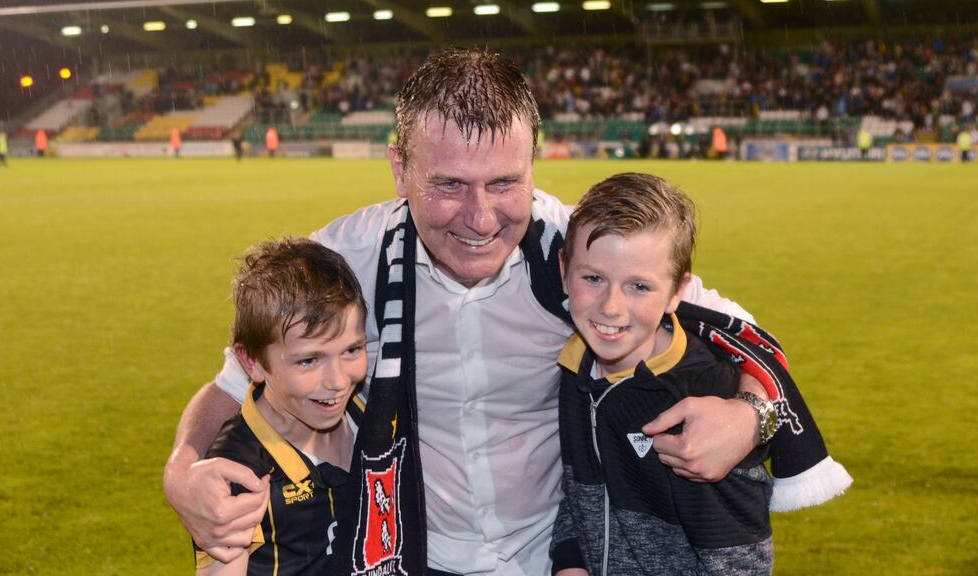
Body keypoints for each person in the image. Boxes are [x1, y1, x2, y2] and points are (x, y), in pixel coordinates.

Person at [165, 49, 788, 576]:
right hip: (410, 556)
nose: (482, 219)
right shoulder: (345, 260)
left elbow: (746, 336)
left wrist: (751, 417)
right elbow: (233, 384)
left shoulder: (586, 258)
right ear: (398, 168)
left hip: (560, 558)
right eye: (450, 186)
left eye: (504, 183)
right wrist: (181, 473)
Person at [550, 173, 851, 576]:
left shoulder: (707, 402)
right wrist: (570, 563)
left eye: (639, 286)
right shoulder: (575, 369)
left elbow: (741, 560)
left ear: (678, 291)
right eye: (593, 278)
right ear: (564, 269)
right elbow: (579, 493)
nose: (611, 307)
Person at [194, 237, 368, 576]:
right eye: (308, 360)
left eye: (351, 350)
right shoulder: (239, 472)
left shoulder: (367, 415)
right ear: (252, 362)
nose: (336, 380)